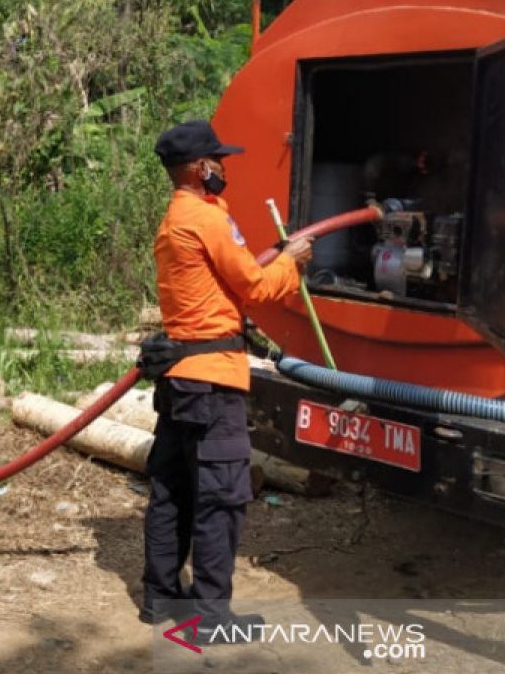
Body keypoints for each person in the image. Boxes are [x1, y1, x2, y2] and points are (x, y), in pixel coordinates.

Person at [140, 120, 313, 634]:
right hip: (212, 382)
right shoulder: (207, 218)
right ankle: (211, 620)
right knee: (221, 499)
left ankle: (161, 602)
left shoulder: (177, 217)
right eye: (218, 160)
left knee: (172, 491)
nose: (224, 167)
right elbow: (257, 288)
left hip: (179, 381)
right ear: (199, 168)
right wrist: (293, 261)